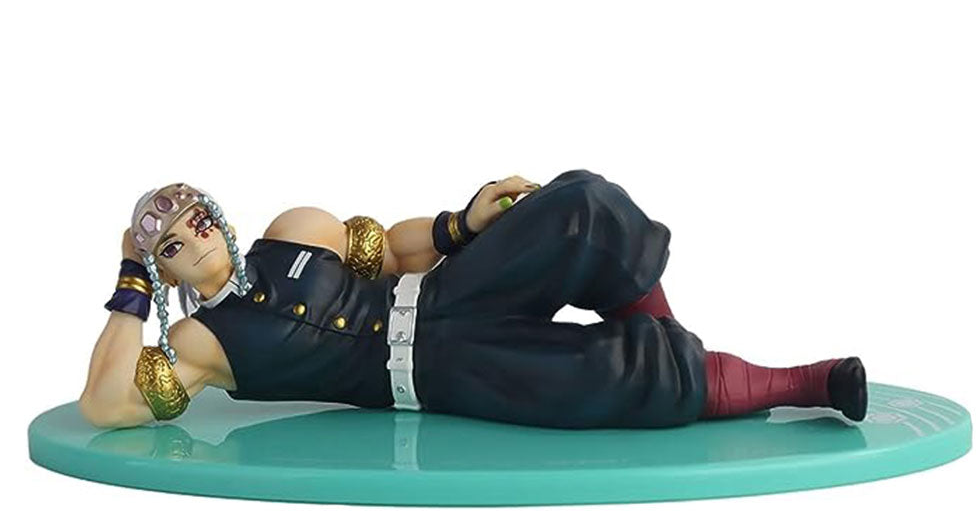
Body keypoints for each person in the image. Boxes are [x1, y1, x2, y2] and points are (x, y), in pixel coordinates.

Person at [79, 170, 868, 430]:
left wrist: (464, 223)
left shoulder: (296, 231)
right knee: (616, 376)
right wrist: (129, 280)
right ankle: (808, 383)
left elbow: (393, 250)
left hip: (443, 289)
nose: (195, 242)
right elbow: (105, 404)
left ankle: (674, 348)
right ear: (166, 272)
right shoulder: (202, 348)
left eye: (197, 223)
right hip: (439, 372)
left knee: (580, 204)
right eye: (171, 247)